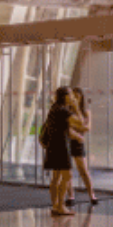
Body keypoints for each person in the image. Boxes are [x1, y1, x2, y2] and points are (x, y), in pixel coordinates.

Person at [40, 86, 84, 217]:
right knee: (67, 176)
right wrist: (76, 108)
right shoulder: (63, 111)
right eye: (71, 95)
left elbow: (65, 128)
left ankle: (55, 205)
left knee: (56, 178)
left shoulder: (54, 109)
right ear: (65, 96)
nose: (73, 97)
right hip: (61, 147)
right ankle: (60, 206)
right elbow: (80, 123)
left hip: (53, 147)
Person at [65, 87, 98, 206]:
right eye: (73, 97)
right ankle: (71, 196)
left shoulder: (85, 111)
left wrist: (78, 126)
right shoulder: (67, 111)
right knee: (68, 172)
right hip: (67, 141)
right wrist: (80, 127)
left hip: (78, 142)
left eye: (77, 97)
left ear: (81, 98)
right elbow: (68, 127)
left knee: (83, 170)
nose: (75, 99)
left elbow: (87, 127)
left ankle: (92, 195)